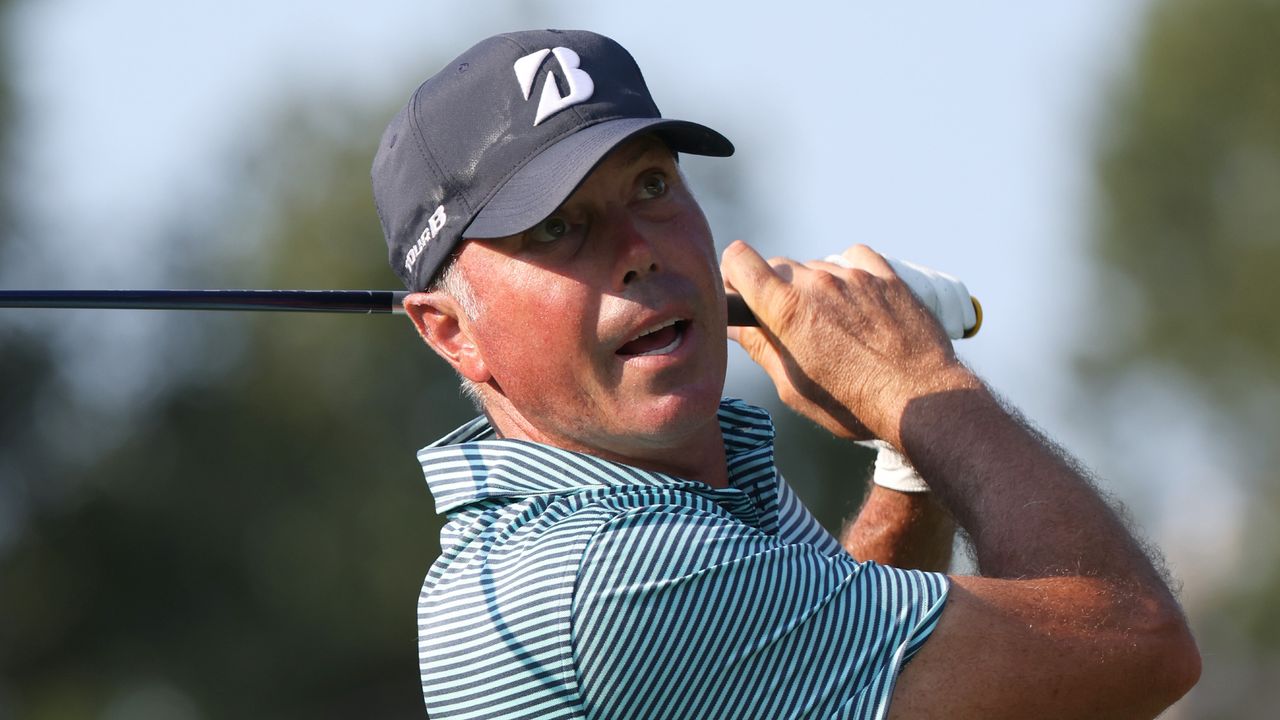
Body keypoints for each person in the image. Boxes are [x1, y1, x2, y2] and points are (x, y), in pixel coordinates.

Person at [371, 29, 1199, 719]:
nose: (640, 250)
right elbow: (1137, 646)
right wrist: (915, 384)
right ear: (451, 333)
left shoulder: (645, 519)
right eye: (558, 228)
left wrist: (909, 459)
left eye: (651, 185)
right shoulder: (612, 584)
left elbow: (856, 674)